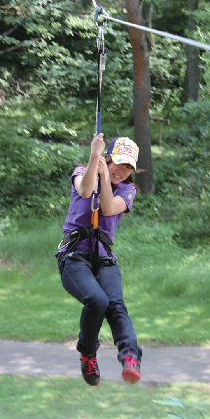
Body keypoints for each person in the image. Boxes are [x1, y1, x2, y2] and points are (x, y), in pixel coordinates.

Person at [55, 133, 142, 386]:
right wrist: (95, 157)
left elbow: (107, 208)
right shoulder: (83, 171)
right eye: (119, 164)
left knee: (115, 304)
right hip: (74, 256)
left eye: (129, 167)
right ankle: (88, 353)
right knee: (97, 300)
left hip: (103, 257)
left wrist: (106, 176)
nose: (122, 171)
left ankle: (130, 356)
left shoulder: (127, 190)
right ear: (107, 157)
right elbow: (84, 190)